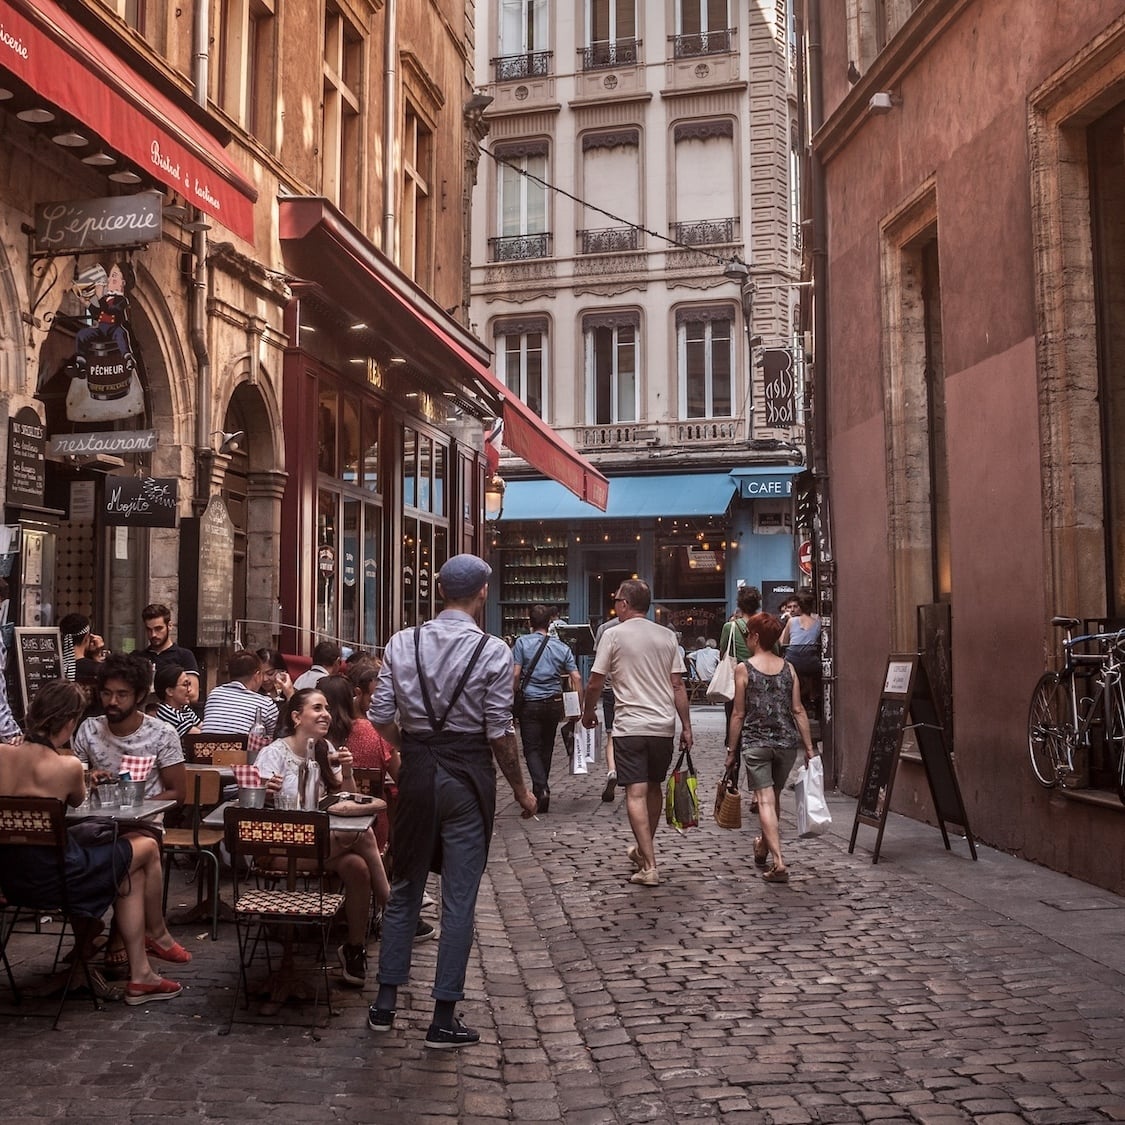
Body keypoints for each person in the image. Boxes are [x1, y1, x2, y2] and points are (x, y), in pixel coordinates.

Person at [367, 553, 537, 1048]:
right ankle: (442, 1016)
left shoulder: (402, 641)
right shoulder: (492, 650)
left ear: (440, 590)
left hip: (418, 771)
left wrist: (413, 745)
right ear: (482, 592)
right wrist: (522, 790)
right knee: (458, 898)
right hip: (466, 775)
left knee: (404, 888)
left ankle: (384, 1005)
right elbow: (499, 730)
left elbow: (380, 717)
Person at [0, 680, 186, 1004]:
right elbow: (77, 800)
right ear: (70, 722)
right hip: (60, 878)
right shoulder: (67, 765)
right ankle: (156, 935)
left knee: (132, 869)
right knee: (147, 846)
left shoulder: (1, 754)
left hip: (11, 879)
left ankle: (142, 975)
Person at [254, 688, 391, 987]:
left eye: (327, 707)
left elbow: (345, 798)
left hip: (319, 843)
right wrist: (264, 792)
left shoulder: (324, 748)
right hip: (279, 847)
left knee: (357, 867)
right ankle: (392, 910)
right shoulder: (273, 754)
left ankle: (354, 949)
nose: (326, 714)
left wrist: (349, 769)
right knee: (364, 837)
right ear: (296, 716)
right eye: (317, 708)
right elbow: (249, 803)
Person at [580, 579, 693, 888]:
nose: (615, 604)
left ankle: (650, 865)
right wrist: (686, 726)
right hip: (662, 727)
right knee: (654, 787)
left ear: (625, 604)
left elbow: (595, 681)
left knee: (635, 793)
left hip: (630, 726)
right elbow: (678, 685)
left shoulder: (612, 635)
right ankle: (645, 852)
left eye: (617, 600)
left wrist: (588, 712)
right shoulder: (668, 636)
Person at [724, 613, 816, 884]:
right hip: (786, 744)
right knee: (772, 799)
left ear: (754, 637)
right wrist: (809, 747)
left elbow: (738, 714)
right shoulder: (789, 668)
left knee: (764, 800)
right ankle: (763, 846)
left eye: (748, 635)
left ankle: (778, 861)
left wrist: (731, 751)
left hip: (756, 744)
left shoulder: (744, 668)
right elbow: (798, 710)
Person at [73, 652, 187, 806]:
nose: (112, 701)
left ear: (139, 696)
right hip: (96, 821)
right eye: (107, 693)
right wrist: (88, 778)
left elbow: (177, 793)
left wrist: (137, 809)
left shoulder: (163, 734)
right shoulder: (89, 728)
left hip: (142, 824)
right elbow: (75, 785)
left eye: (122, 694)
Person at [511, 604, 583, 814]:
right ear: (550, 623)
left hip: (530, 702)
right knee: (547, 747)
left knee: (531, 748)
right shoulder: (561, 647)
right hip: (553, 703)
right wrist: (577, 707)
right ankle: (540, 790)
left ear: (529, 622)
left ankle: (541, 789)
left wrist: (512, 695)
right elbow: (576, 677)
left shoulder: (522, 643)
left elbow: (515, 675)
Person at [320, 671, 401, 856]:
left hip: (318, 827)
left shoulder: (312, 738)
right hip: (369, 824)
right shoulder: (376, 733)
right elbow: (402, 778)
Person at [201, 650, 278, 734]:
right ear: (257, 676)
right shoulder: (266, 704)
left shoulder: (214, 694)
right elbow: (276, 737)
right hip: (243, 747)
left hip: (206, 746)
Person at [718, 585, 762, 731]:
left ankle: (732, 749)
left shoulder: (729, 627)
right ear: (758, 604)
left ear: (739, 604)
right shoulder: (765, 626)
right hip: (760, 678)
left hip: (737, 680)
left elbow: (722, 653)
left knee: (734, 715)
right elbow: (776, 651)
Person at [591, 614, 619, 802]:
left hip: (610, 689)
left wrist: (589, 705)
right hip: (634, 691)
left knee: (611, 734)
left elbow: (598, 666)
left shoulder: (605, 629)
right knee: (632, 733)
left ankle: (612, 770)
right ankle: (633, 777)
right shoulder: (647, 628)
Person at [780, 591, 822, 714]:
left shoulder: (792, 622)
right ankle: (814, 696)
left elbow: (783, 642)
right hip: (810, 660)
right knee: (819, 674)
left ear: (800, 607)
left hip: (793, 659)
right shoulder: (818, 622)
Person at [141, 603, 198, 673]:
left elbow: (192, 684)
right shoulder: (139, 658)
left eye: (158, 628)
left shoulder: (184, 656)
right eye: (149, 629)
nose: (153, 634)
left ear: (170, 626)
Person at [153, 663, 201, 737]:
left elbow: (202, 726)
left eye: (189, 684)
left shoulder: (184, 708)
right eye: (185, 685)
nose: (189, 690)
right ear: (169, 691)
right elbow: (200, 735)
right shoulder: (167, 713)